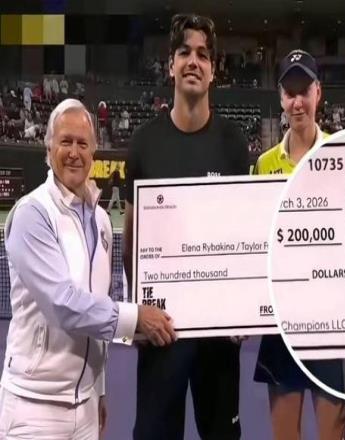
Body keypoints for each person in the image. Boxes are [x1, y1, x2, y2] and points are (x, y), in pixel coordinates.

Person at [0, 98, 176, 439]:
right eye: (65, 141)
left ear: (93, 153)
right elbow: (63, 304)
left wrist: (99, 389)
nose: (74, 152)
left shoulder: (101, 221)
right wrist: (136, 318)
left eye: (82, 144)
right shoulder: (32, 214)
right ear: (49, 148)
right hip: (34, 408)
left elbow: (98, 303)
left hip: (85, 407)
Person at [123, 14, 249, 440]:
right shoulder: (144, 143)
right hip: (162, 334)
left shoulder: (234, 144)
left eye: (203, 54)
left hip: (218, 339)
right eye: (184, 52)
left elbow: (240, 236)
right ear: (171, 66)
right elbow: (132, 243)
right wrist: (138, 310)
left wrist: (242, 308)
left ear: (213, 70)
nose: (193, 61)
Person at [253, 49, 345, 440]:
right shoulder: (265, 164)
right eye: (290, 93)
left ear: (318, 92)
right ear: (280, 98)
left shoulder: (342, 154)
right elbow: (260, 246)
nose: (297, 102)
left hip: (329, 327)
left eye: (304, 91)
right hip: (281, 328)